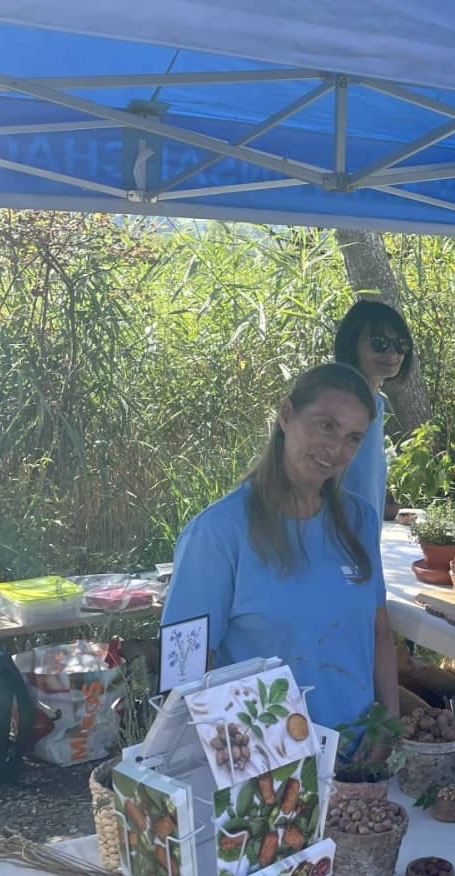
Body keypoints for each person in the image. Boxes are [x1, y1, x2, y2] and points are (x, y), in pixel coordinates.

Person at [161, 363, 399, 733]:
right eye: (326, 425)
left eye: (353, 438)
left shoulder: (360, 521)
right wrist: (246, 761)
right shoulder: (216, 535)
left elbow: (379, 631)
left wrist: (387, 728)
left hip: (361, 765)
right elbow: (182, 671)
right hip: (270, 774)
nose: (336, 449)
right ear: (286, 415)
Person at [333, 300, 414, 521]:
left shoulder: (375, 402)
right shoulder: (337, 403)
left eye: (401, 345)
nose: (392, 353)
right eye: (379, 343)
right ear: (352, 343)